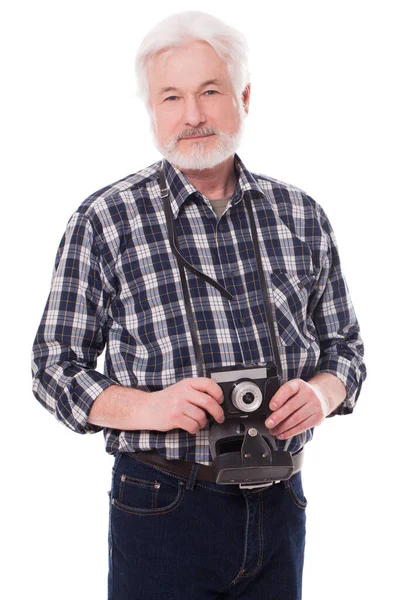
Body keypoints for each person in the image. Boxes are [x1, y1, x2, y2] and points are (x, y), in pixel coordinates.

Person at [31, 10, 367, 600]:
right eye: (171, 97)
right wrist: (151, 407)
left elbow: (345, 349)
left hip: (281, 502)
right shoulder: (106, 220)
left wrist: (320, 394)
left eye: (209, 92)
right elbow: (53, 366)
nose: (192, 116)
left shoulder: (302, 215)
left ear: (243, 96)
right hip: (162, 504)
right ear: (152, 110)